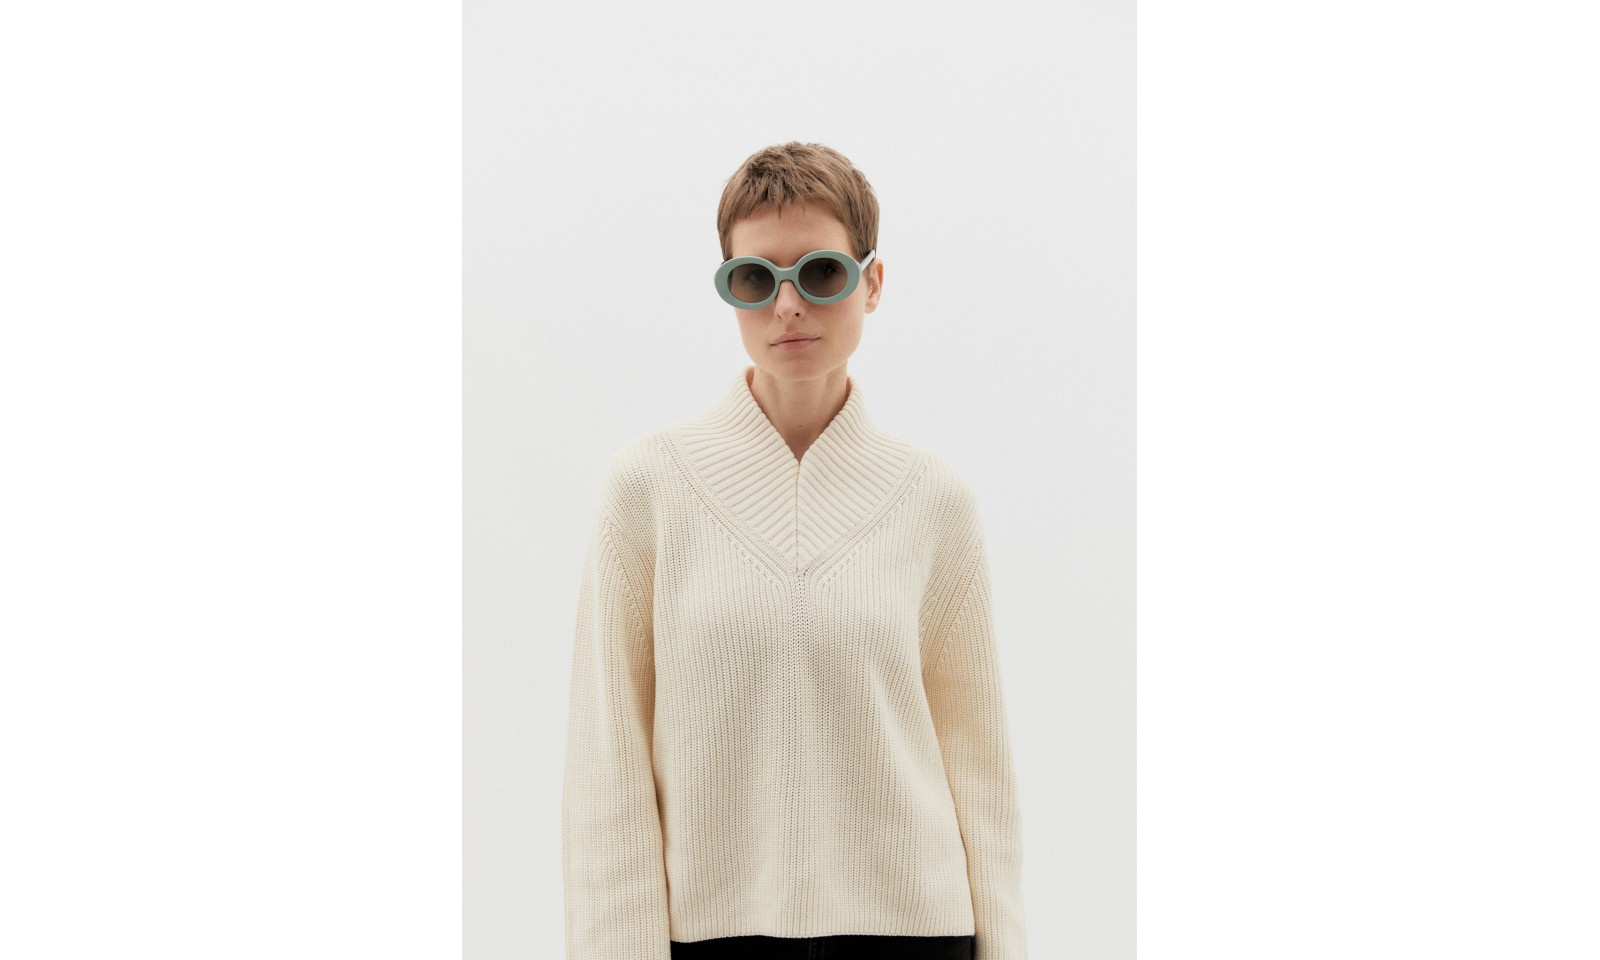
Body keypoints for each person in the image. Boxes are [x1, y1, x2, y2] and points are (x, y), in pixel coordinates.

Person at [561, 142, 1027, 960]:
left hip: (916, 934)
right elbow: (609, 760)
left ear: (871, 282)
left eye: (821, 274)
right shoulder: (650, 488)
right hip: (710, 936)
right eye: (754, 279)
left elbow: (977, 763)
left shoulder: (934, 501)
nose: (788, 306)